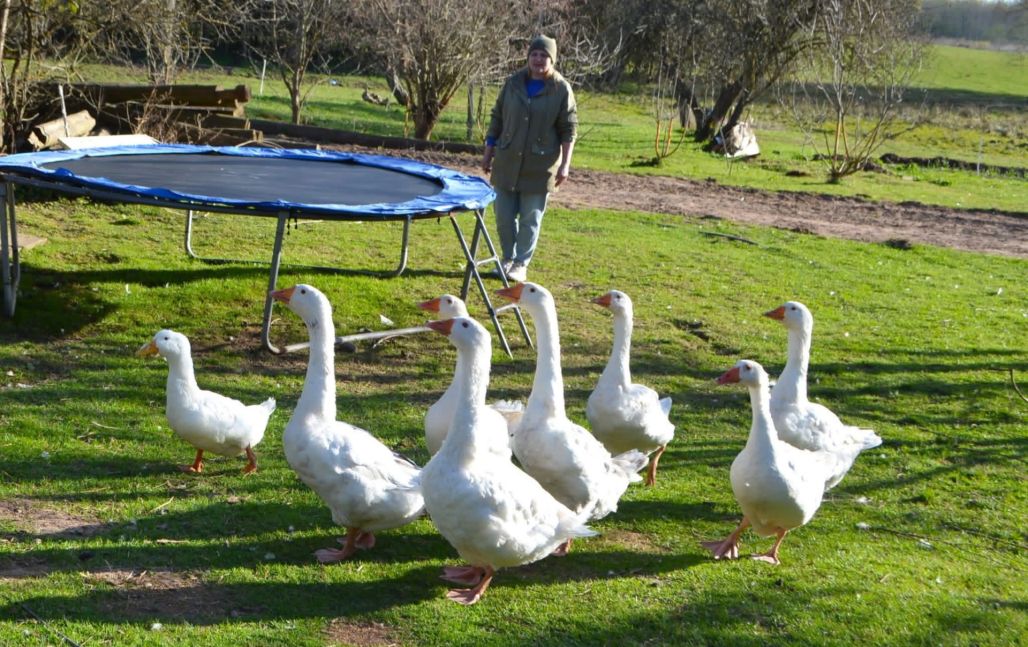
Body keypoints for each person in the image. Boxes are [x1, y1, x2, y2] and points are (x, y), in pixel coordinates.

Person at [482, 34, 577, 283]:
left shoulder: (560, 89)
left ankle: (521, 263)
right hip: (507, 161)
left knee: (529, 218)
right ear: (528, 57)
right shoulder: (513, 83)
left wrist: (565, 165)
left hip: (540, 166)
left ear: (552, 60)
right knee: (503, 216)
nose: (538, 59)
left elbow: (569, 130)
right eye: (534, 54)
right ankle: (506, 258)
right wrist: (488, 151)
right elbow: (497, 118)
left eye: (544, 55)